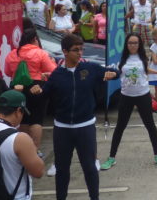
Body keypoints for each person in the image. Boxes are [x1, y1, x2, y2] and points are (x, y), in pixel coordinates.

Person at [30, 34, 119, 200]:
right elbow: (43, 97)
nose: (80, 53)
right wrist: (36, 91)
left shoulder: (90, 69)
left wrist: (113, 74)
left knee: (89, 168)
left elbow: (115, 72)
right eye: (75, 50)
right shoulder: (57, 75)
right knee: (62, 170)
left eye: (81, 49)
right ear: (65, 51)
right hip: (62, 129)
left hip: (85, 127)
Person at [100, 34, 157, 170]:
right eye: (130, 43)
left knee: (150, 126)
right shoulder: (123, 59)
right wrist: (111, 75)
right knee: (120, 127)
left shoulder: (143, 57)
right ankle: (111, 158)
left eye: (135, 43)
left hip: (143, 95)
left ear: (139, 44)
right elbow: (118, 72)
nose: (133, 45)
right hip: (126, 96)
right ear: (126, 44)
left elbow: (145, 70)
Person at [4, 29, 57, 152]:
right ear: (34, 40)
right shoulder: (40, 53)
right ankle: (34, 150)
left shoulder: (12, 53)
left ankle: (23, 149)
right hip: (36, 87)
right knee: (36, 119)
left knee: (21, 118)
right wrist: (53, 63)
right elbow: (52, 71)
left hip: (17, 88)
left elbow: (7, 72)